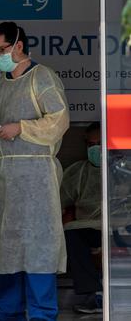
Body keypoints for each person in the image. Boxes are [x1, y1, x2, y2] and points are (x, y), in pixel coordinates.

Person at [0, 22, 70, 321]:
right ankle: (6, 311)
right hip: (5, 176)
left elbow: (59, 120)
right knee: (8, 244)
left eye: (1, 50)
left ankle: (42, 313)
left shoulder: (42, 78)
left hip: (36, 175)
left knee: (38, 244)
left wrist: (22, 128)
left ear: (18, 45)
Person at [61, 122, 103, 314]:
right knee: (72, 235)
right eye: (91, 145)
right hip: (88, 228)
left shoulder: (123, 167)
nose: (95, 149)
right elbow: (61, 200)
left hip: (121, 226)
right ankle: (93, 294)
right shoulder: (78, 172)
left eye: (100, 143)